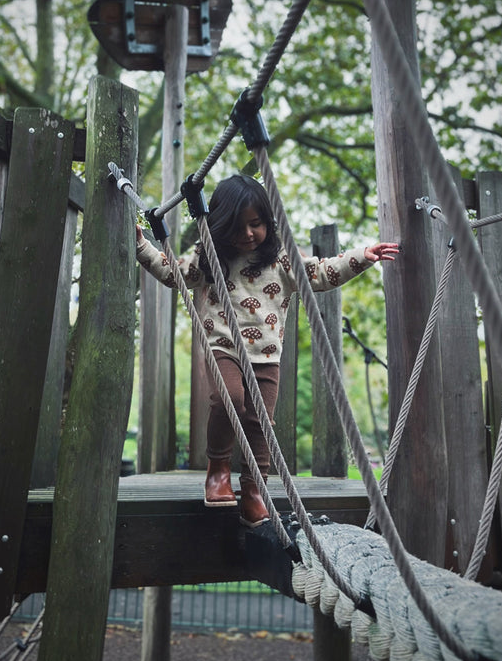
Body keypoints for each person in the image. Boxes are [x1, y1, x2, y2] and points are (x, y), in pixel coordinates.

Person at [135, 174, 399, 527]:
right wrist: (143, 248)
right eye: (237, 227)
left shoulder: (282, 260)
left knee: (260, 422)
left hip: (266, 356)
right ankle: (218, 469)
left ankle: (254, 490)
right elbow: (174, 275)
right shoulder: (210, 257)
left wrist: (361, 257)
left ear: (267, 223)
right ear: (219, 226)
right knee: (229, 398)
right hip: (223, 347)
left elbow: (320, 274)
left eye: (255, 224)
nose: (247, 234)